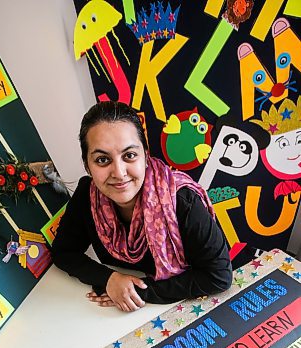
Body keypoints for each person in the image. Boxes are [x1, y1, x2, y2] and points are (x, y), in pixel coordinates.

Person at [52, 101, 232, 312]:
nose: (119, 173)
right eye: (102, 160)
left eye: (129, 155)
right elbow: (63, 252)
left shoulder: (183, 201)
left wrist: (137, 292)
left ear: (146, 156)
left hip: (186, 308)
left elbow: (219, 276)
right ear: (87, 165)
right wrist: (109, 279)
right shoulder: (87, 196)